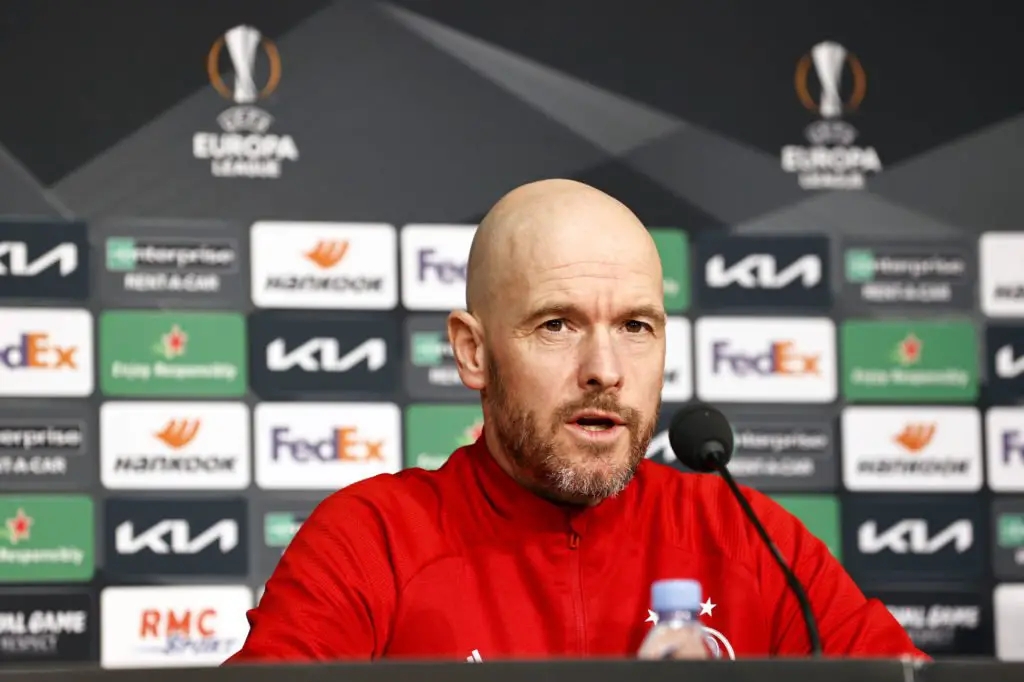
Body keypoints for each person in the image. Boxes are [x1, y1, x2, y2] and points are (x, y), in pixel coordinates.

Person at [225, 179, 926, 662]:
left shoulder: (746, 536)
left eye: (636, 326)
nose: (605, 370)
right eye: (557, 324)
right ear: (473, 351)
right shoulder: (371, 541)